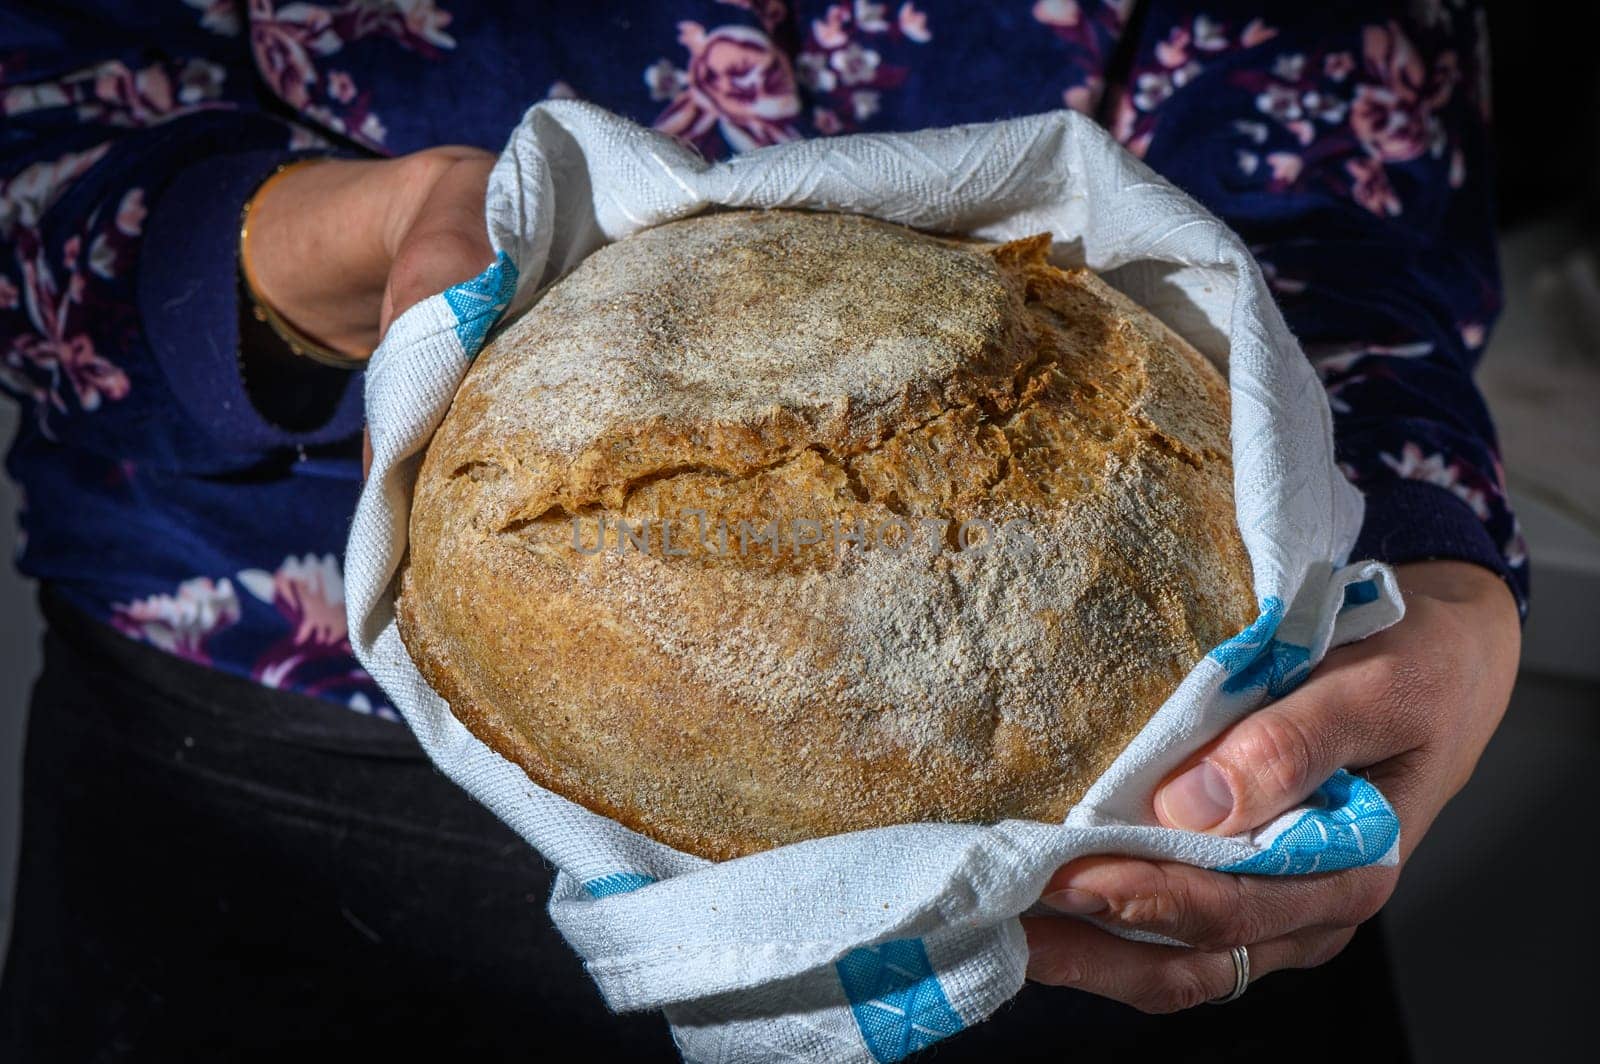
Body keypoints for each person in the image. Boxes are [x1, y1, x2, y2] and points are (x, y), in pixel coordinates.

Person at [0, 1, 1523, 1059]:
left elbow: (1340, 166)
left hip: (1132, 811)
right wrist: (344, 243)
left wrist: (1433, 563)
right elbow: (43, 139)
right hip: (277, 832)